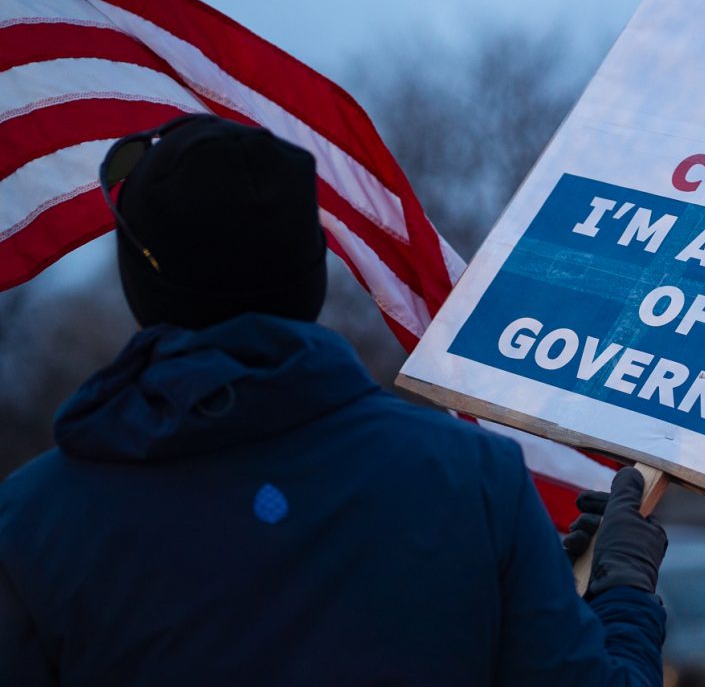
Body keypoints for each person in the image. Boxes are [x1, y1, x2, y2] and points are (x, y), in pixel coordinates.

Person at [0, 115, 668, 686]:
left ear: (138, 281)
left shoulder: (30, 518)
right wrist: (623, 593)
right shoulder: (474, 481)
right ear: (315, 271)